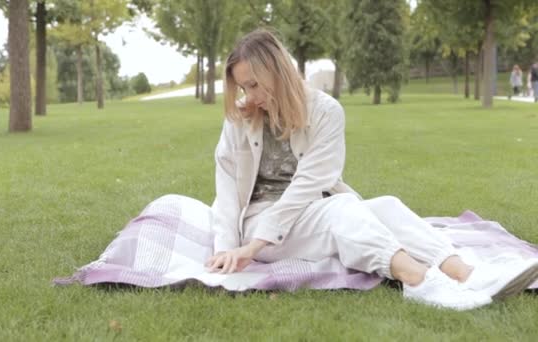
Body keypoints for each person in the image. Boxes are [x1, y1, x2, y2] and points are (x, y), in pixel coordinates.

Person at [204, 29, 538, 311]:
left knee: (386, 206)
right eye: (243, 87)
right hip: (262, 222)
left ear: (278, 71)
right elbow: (228, 183)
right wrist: (233, 248)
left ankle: (464, 273)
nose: (249, 96)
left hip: (312, 206)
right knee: (342, 211)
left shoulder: (325, 111)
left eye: (254, 85)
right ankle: (418, 280)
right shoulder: (240, 118)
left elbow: (312, 182)